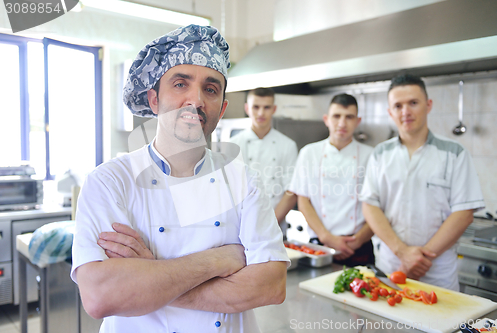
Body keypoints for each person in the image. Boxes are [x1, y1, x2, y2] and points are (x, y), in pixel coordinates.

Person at [70, 24, 289, 333]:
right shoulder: (109, 182)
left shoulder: (244, 181)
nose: (196, 100)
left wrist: (150, 277)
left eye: (210, 89)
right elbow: (101, 296)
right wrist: (220, 261)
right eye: (180, 84)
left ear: (222, 108)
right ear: (154, 100)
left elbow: (270, 287)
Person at [360, 74, 484, 290]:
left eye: (413, 103)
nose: (405, 112)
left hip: (437, 272)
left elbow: (464, 213)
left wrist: (420, 257)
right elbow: (370, 206)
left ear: (428, 105)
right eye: (398, 106)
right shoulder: (380, 154)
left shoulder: (455, 153)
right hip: (390, 267)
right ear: (390, 112)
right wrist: (403, 252)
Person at [289, 93, 375, 267]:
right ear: (326, 119)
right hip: (320, 243)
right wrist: (327, 237)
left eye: (349, 117)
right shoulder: (309, 153)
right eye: (337, 116)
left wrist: (357, 241)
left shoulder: (372, 155)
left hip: (358, 245)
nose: (342, 123)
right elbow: (303, 200)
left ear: (358, 121)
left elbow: (378, 206)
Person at [230, 87, 298, 234]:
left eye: (266, 107)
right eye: (256, 107)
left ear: (274, 109)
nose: (261, 113)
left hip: (275, 228)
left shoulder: (287, 145)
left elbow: (291, 192)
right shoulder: (233, 145)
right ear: (247, 108)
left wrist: (269, 223)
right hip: (239, 227)